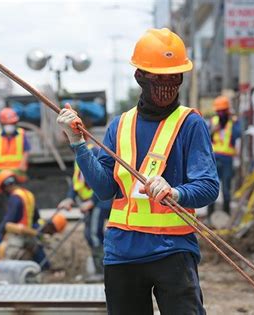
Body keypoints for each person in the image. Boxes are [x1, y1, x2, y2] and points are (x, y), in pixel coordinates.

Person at [57, 28, 219, 314]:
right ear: (140, 76)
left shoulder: (190, 124)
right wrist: (78, 144)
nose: (167, 84)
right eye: (158, 77)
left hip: (173, 250)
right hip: (122, 253)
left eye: (174, 77)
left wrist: (176, 191)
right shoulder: (119, 125)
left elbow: (207, 186)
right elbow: (106, 189)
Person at [58, 143, 110, 280]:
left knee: (94, 234)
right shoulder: (78, 155)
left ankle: (103, 271)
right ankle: (100, 269)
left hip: (100, 202)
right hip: (91, 202)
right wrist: (70, 198)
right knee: (88, 235)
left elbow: (101, 178)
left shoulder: (92, 151)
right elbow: (77, 182)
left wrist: (92, 201)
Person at [0, 170, 50, 269]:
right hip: (30, 231)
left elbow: (9, 220)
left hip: (20, 234)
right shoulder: (28, 194)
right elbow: (36, 217)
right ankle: (45, 268)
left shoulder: (15, 198)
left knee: (7, 254)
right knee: (37, 251)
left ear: (5, 186)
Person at [0, 107, 31, 226]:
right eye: (7, 123)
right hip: (0, 178)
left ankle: (18, 226)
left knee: (18, 202)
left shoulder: (21, 134)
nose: (10, 125)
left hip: (16, 177)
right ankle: (2, 227)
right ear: (2, 124)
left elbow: (26, 150)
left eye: (12, 123)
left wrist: (23, 164)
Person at [207, 96, 241, 219]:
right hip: (214, 159)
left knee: (226, 188)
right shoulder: (213, 122)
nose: (220, 113)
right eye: (218, 111)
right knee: (211, 187)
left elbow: (238, 134)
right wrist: (213, 131)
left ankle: (226, 217)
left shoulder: (234, 122)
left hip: (227, 160)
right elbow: (205, 137)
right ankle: (211, 216)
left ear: (227, 110)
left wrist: (235, 120)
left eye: (223, 111)